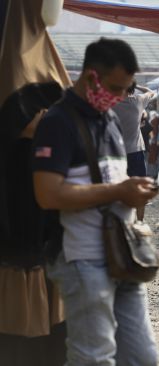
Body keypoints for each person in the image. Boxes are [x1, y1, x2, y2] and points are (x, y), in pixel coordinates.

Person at [31, 38, 159, 364]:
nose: (120, 98)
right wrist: (118, 192)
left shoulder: (110, 118)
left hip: (123, 255)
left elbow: (108, 178)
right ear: (91, 78)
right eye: (116, 89)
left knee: (142, 358)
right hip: (83, 258)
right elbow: (48, 194)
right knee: (93, 358)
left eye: (127, 91)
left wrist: (133, 189)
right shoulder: (57, 123)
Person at [0, 82, 66, 365]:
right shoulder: (14, 155)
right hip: (19, 257)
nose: (43, 115)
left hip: (43, 255)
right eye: (38, 111)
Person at [112, 83, 156, 220]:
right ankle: (140, 221)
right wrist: (139, 86)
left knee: (118, 188)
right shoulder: (138, 100)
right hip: (135, 152)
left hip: (116, 153)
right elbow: (151, 92)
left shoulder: (111, 103)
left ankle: (121, 220)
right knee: (140, 188)